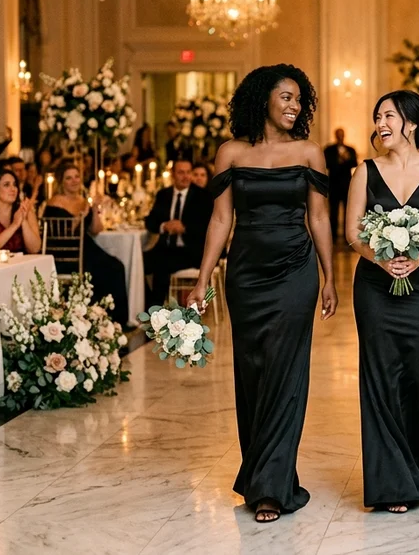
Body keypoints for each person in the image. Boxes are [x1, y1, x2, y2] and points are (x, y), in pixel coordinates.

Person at [185, 63, 337, 523]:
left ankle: (272, 485)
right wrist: (202, 278)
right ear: (262, 99)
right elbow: (220, 220)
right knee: (252, 371)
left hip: (295, 272)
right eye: (286, 97)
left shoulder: (310, 153)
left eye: (298, 99)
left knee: (286, 372)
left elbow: (319, 219)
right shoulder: (230, 152)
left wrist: (330, 276)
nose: (294, 106)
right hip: (246, 274)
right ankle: (259, 474)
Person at [347, 90, 419, 513]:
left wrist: (418, 257)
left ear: (411, 122)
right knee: (380, 376)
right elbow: (353, 232)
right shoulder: (365, 171)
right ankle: (391, 480)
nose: (380, 124)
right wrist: (380, 259)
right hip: (375, 289)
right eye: (377, 117)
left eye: (388, 116)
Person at [43, 162, 130, 326]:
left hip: (85, 246)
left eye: (76, 177)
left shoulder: (82, 200)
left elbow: (96, 229)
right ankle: (94, 318)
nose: (74, 181)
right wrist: (79, 218)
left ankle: (114, 320)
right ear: (62, 181)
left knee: (117, 266)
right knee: (105, 269)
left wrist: (95, 208)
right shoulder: (55, 202)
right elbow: (61, 234)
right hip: (66, 252)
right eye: (69, 178)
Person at [144, 159, 213, 307]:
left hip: (191, 250)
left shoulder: (203, 196)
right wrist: (164, 226)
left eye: (188, 172)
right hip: (165, 247)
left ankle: (155, 312)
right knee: (139, 262)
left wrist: (185, 228)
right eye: (181, 172)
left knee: (161, 264)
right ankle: (144, 307)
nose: (186, 176)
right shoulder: (163, 194)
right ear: (173, 174)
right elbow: (150, 221)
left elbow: (207, 228)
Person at [0, 167, 42, 254]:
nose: (13, 189)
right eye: (6, 185)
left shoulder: (27, 212)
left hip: (21, 264)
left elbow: (35, 249)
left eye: (15, 184)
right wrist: (14, 225)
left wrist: (23, 221)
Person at [323, 128, 358, 240]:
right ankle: (333, 237)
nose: (340, 137)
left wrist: (346, 159)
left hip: (346, 184)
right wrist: (339, 159)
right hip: (333, 184)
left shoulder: (350, 149)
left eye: (341, 135)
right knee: (333, 211)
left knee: (348, 212)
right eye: (338, 135)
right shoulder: (329, 149)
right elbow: (326, 164)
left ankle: (347, 237)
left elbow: (354, 163)